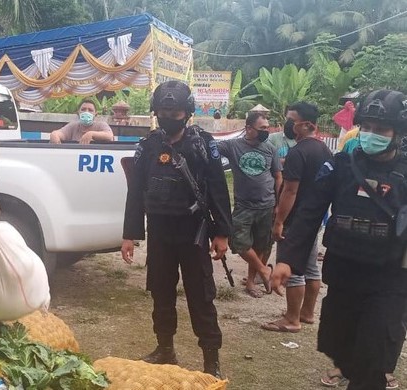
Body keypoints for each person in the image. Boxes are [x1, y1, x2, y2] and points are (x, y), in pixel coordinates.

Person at [271, 89, 407, 389]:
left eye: (381, 129)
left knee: (371, 357)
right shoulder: (340, 166)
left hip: (388, 281)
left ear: (397, 132)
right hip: (344, 275)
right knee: (339, 349)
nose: (371, 134)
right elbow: (309, 213)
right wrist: (287, 261)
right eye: (366, 127)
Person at [121, 80, 231, 377]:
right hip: (159, 230)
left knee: (200, 295)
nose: (168, 116)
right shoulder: (148, 146)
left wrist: (221, 233)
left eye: (175, 111)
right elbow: (135, 191)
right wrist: (129, 234)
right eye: (163, 111)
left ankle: (211, 359)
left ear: (188, 112)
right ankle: (165, 348)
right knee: (160, 290)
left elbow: (219, 190)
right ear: (155, 112)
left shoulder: (203, 144)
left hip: (192, 230)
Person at [263, 102, 331, 333]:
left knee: (291, 267)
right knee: (311, 267)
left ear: (307, 125)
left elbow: (290, 190)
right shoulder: (324, 151)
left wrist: (280, 221)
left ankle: (292, 319)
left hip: (295, 218)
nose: (288, 124)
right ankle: (307, 313)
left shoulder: (298, 152)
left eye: (292, 120)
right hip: (315, 218)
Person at [218, 113, 282, 298]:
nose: (266, 131)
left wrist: (278, 204)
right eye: (262, 128)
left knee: (261, 245)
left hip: (267, 205)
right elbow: (209, 146)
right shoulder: (233, 146)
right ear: (248, 128)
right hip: (243, 205)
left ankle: (252, 282)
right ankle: (263, 270)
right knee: (238, 242)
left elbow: (278, 177)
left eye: (267, 127)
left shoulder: (270, 149)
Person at [49, 99, 114, 144]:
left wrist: (91, 134)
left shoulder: (101, 125)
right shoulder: (73, 126)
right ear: (78, 113)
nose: (86, 112)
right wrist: (54, 135)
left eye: (90, 110)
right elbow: (60, 133)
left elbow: (109, 136)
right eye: (83, 109)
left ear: (95, 114)